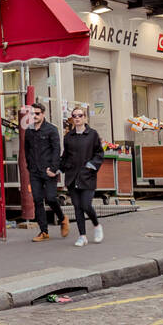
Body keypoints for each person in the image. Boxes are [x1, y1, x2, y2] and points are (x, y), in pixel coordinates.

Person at [60, 105, 105, 247]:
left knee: (86, 205)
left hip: (87, 176)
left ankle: (97, 226)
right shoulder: (68, 137)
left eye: (80, 115)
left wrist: (90, 167)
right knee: (77, 207)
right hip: (72, 177)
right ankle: (82, 236)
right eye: (75, 116)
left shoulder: (92, 134)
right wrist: (57, 168)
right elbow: (65, 157)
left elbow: (99, 153)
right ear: (72, 119)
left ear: (85, 118)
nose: (77, 118)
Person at [24, 102, 68, 241]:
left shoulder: (51, 130)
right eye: (32, 114)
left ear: (43, 114)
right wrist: (29, 166)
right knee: (37, 200)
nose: (34, 116)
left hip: (49, 170)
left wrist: (54, 169)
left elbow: (57, 150)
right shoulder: (29, 130)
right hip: (34, 171)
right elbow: (27, 150)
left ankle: (62, 218)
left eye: (37, 113)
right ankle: (44, 231)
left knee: (50, 198)